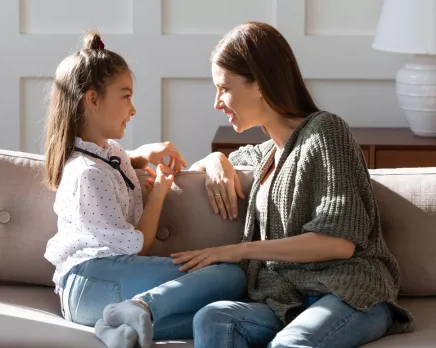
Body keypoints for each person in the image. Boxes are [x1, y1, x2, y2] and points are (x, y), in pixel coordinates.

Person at [172, 22, 414, 348]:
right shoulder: (268, 153)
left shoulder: (326, 132)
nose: (217, 102)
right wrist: (215, 160)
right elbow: (211, 162)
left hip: (349, 293)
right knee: (213, 318)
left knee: (289, 345)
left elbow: (338, 243)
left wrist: (238, 250)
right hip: (288, 300)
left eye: (224, 88)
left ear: (259, 83)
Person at [43, 32, 246, 348]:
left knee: (216, 316)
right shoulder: (87, 173)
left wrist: (141, 155)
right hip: (94, 279)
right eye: (125, 96)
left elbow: (116, 162)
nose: (133, 109)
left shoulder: (101, 155)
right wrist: (159, 193)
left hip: (93, 293)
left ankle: (116, 327)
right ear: (93, 100)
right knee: (230, 277)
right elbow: (138, 246)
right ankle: (138, 308)